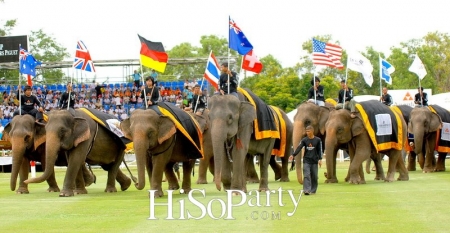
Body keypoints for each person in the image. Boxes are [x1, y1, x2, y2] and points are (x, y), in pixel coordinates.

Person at [289, 125, 323, 195]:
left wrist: (320, 159)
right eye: (306, 131)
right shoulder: (304, 140)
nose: (307, 132)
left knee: (314, 176)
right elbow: (299, 147)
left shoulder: (318, 140)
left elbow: (319, 150)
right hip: (306, 161)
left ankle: (313, 190)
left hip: (314, 161)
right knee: (306, 175)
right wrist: (293, 155)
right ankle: (306, 190)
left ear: (312, 131)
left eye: (308, 131)